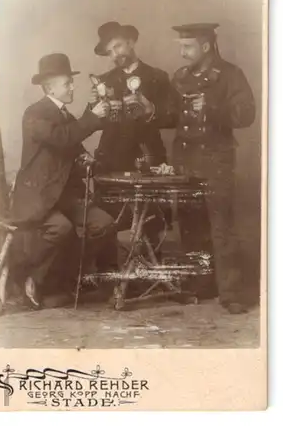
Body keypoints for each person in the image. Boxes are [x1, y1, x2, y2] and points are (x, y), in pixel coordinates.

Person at [162, 23, 256, 314]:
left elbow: (247, 115)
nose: (182, 52)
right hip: (187, 161)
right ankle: (202, 285)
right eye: (180, 45)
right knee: (191, 227)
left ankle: (232, 294)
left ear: (205, 47)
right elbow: (171, 116)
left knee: (222, 228)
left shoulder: (230, 75)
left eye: (187, 46)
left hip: (216, 162)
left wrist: (212, 106)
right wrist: (149, 110)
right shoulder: (181, 77)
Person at [10, 53, 117, 308]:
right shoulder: (34, 113)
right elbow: (63, 138)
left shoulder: (65, 115)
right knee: (61, 228)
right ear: (49, 88)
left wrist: (87, 159)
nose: (72, 87)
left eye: (71, 82)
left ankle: (66, 276)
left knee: (104, 223)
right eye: (67, 83)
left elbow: (74, 145)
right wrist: (92, 116)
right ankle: (27, 275)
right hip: (40, 196)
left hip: (64, 196)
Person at [89, 21, 172, 241]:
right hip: (112, 160)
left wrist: (151, 109)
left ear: (131, 42)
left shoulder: (158, 77)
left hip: (148, 157)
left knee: (152, 225)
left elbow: (174, 117)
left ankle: (150, 272)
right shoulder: (104, 82)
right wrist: (94, 108)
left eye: (117, 47)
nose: (115, 55)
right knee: (106, 224)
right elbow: (95, 122)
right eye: (109, 52)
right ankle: (108, 273)